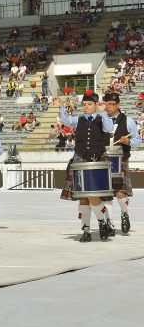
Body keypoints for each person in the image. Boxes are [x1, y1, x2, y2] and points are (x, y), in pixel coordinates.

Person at [57, 91, 116, 241]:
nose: (86, 107)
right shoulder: (79, 119)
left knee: (93, 196)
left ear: (96, 105)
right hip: (80, 159)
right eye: (84, 104)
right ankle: (86, 230)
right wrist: (62, 107)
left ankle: (102, 222)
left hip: (98, 159)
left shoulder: (102, 118)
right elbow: (66, 121)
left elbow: (109, 128)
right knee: (82, 198)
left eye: (89, 104)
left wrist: (103, 113)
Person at [101, 91, 139, 234]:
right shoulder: (101, 119)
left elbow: (138, 141)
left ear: (118, 105)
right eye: (106, 104)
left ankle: (124, 213)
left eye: (111, 104)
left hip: (120, 158)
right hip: (104, 158)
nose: (108, 107)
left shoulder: (128, 120)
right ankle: (109, 223)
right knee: (107, 193)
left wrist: (128, 141)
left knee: (120, 193)